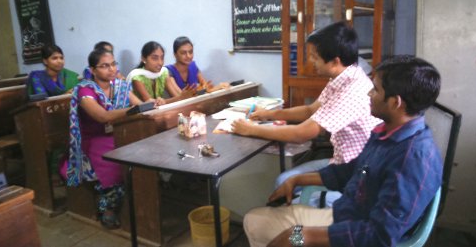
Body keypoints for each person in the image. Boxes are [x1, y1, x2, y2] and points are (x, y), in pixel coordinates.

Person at [243, 55, 443, 247]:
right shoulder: (386, 133)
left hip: (354, 235)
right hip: (343, 216)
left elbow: (378, 236)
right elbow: (349, 171)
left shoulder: (413, 159)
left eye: (375, 89)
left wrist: (304, 235)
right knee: (255, 222)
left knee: (290, 237)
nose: (369, 94)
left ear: (395, 102)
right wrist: (296, 180)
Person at [232, 22, 381, 206]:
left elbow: (301, 133)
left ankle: (297, 231)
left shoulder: (351, 90)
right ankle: (291, 224)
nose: (311, 61)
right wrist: (269, 114)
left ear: (335, 61)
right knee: (284, 181)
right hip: (340, 162)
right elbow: (310, 110)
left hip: (352, 174)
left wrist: (250, 130)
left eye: (315, 57)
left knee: (293, 207)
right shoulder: (345, 76)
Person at [63, 48, 142, 229]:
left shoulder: (120, 87)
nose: (111, 69)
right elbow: (102, 117)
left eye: (113, 64)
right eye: (105, 66)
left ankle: (137, 205)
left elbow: (142, 106)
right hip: (93, 141)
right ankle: (106, 209)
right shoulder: (84, 90)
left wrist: (156, 103)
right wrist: (132, 111)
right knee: (117, 169)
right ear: (93, 70)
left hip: (119, 134)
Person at [126, 41, 195, 106]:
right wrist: (180, 97)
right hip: (142, 115)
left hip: (160, 111)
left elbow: (176, 96)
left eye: (162, 58)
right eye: (155, 58)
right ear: (143, 59)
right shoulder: (137, 77)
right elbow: (152, 104)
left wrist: (183, 95)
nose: (160, 63)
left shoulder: (163, 72)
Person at [166, 36, 230, 95]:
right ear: (175, 55)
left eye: (190, 52)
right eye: (183, 53)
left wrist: (220, 87)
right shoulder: (168, 71)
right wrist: (200, 90)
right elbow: (179, 97)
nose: (188, 56)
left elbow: (207, 89)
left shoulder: (193, 66)